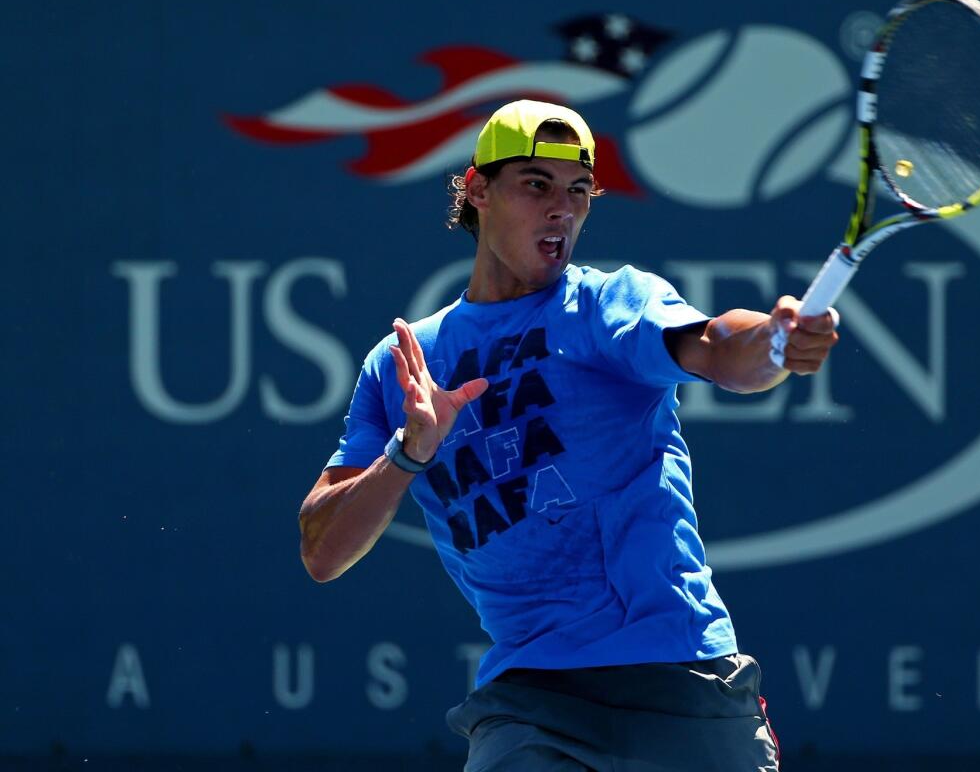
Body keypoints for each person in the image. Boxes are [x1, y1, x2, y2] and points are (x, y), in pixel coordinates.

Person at [299, 100, 838, 771]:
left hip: (675, 675)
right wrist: (408, 454)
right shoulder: (402, 362)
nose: (562, 208)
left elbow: (714, 348)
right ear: (477, 190)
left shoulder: (605, 304)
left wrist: (776, 342)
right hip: (528, 701)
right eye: (537, 185)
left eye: (579, 191)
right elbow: (322, 551)